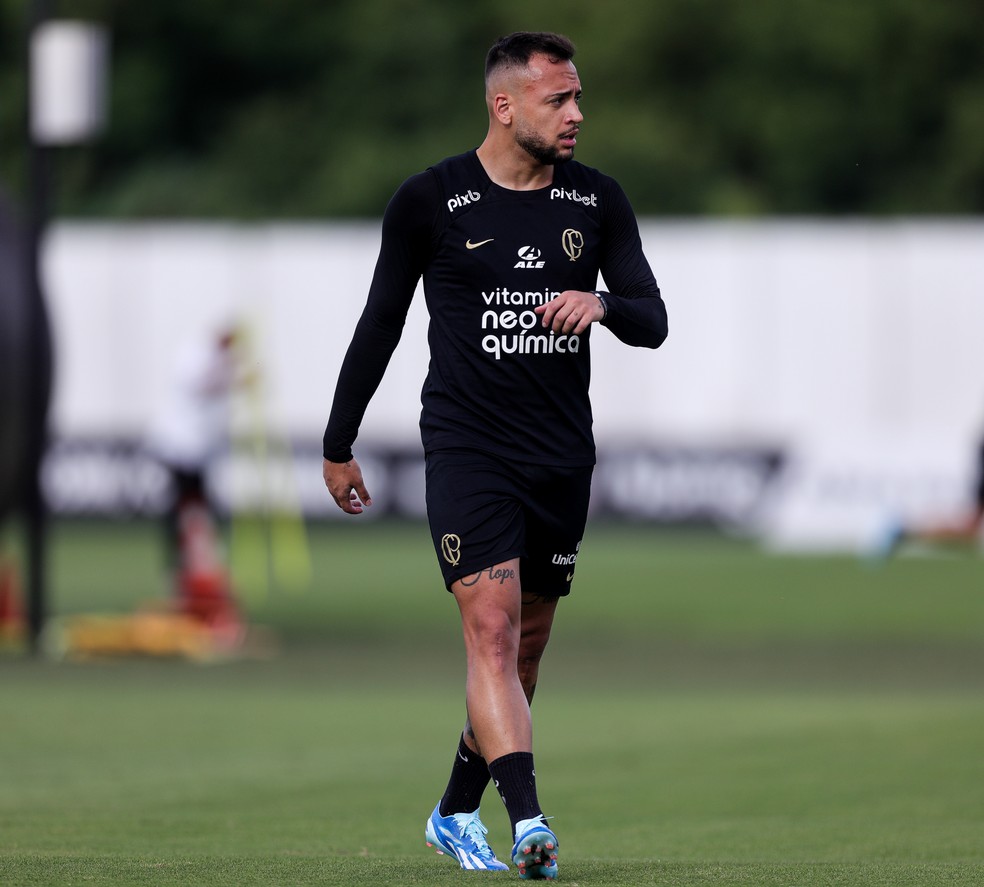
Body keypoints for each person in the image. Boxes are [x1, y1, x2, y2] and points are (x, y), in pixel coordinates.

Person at [322, 32, 667, 880]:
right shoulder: (430, 199)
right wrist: (339, 441)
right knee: (490, 626)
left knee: (524, 652)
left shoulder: (598, 201)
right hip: (468, 447)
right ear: (504, 105)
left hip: (561, 456)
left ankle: (451, 811)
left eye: (580, 97)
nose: (578, 114)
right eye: (560, 100)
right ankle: (529, 821)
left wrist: (604, 302)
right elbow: (380, 323)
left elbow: (653, 319)